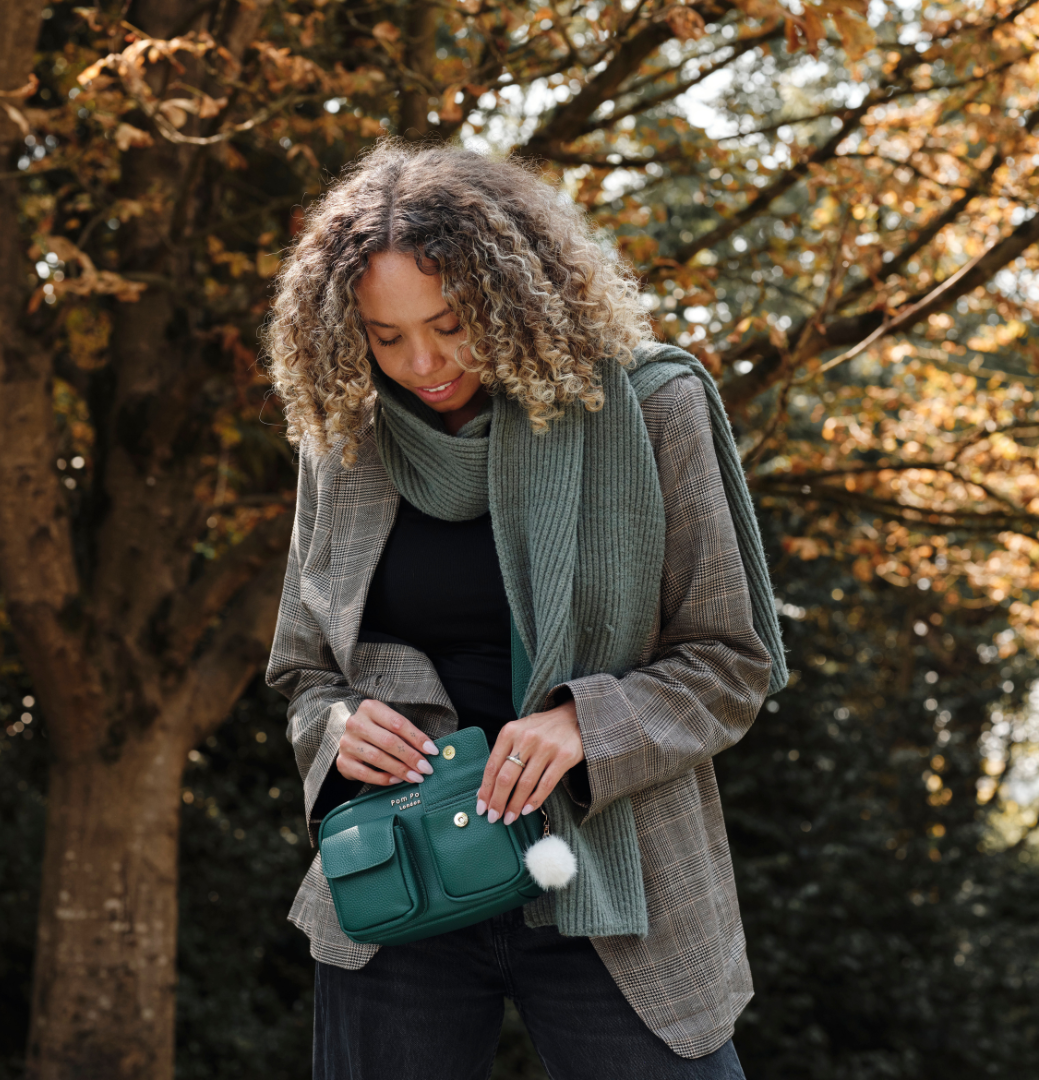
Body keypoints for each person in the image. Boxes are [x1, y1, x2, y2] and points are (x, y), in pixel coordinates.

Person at [263, 141, 787, 1080]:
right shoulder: (345, 438)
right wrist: (338, 725)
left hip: (614, 881)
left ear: (514, 293)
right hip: (398, 875)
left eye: (453, 322)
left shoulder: (653, 407)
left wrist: (586, 726)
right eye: (386, 336)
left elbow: (732, 658)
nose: (423, 362)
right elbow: (304, 671)